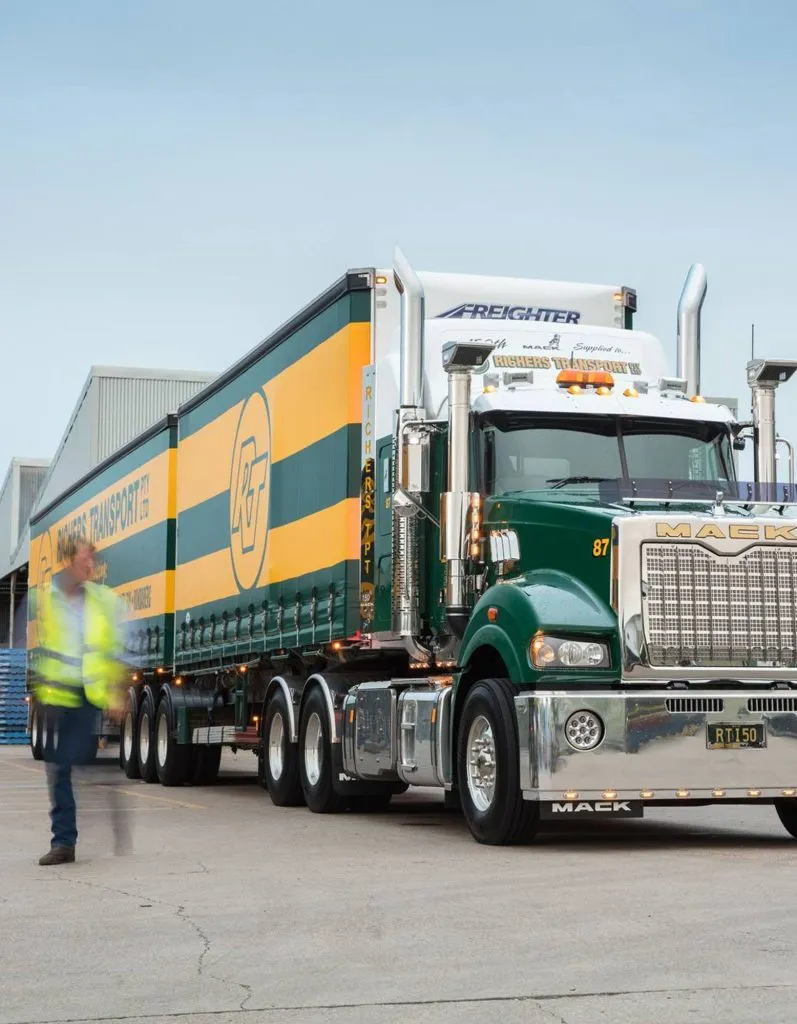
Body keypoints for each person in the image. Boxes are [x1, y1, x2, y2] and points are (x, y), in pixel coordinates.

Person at [33, 537, 129, 865]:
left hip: (89, 695)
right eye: (85, 558)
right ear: (67, 561)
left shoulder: (105, 600)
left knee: (83, 763)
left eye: (93, 558)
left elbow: (117, 649)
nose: (91, 564)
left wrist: (117, 692)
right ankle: (63, 842)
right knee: (59, 769)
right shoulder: (46, 599)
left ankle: (99, 822)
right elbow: (37, 642)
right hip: (56, 696)